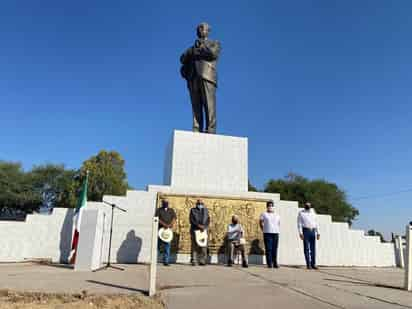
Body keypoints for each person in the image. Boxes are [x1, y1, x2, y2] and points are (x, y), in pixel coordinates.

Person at [180, 22, 221, 134]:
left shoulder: (214, 43)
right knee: (196, 105)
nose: (201, 30)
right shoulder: (191, 49)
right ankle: (196, 128)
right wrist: (193, 50)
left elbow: (213, 54)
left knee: (209, 104)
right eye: (199, 28)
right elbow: (182, 58)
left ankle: (211, 129)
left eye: (204, 28)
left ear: (208, 31)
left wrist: (199, 48)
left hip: (207, 76)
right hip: (193, 78)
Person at [297, 202, 320, 270]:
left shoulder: (313, 212)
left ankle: (313, 264)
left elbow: (316, 223)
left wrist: (318, 233)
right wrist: (300, 233)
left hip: (313, 231)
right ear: (304, 206)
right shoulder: (301, 213)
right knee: (306, 248)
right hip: (305, 231)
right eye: (306, 205)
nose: (308, 206)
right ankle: (308, 264)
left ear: (311, 206)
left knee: (313, 249)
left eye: (309, 205)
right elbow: (299, 224)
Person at [259, 201, 280, 268]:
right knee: (268, 249)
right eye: (269, 206)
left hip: (275, 233)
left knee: (275, 248)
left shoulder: (277, 215)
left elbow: (278, 223)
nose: (270, 207)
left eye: (271, 205)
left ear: (273, 206)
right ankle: (269, 263)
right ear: (267, 206)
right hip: (267, 233)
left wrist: (276, 229)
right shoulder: (264, 214)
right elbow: (261, 222)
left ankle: (275, 262)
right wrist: (263, 229)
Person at [155, 199, 176, 266]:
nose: (165, 203)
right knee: (158, 245)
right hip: (160, 230)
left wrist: (170, 225)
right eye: (164, 202)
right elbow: (156, 218)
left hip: (168, 231)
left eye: (167, 202)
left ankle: (166, 261)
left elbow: (174, 218)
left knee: (167, 246)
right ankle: (155, 260)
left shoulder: (171, 210)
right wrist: (164, 224)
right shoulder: (158, 210)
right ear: (162, 203)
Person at [189, 199, 210, 266]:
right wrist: (198, 226)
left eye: (201, 203)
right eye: (199, 203)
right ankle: (194, 260)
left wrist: (204, 226)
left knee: (204, 245)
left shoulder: (206, 210)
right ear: (196, 204)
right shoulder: (193, 210)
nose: (200, 205)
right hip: (195, 230)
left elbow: (208, 219)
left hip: (204, 230)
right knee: (194, 246)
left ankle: (202, 260)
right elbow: (191, 220)